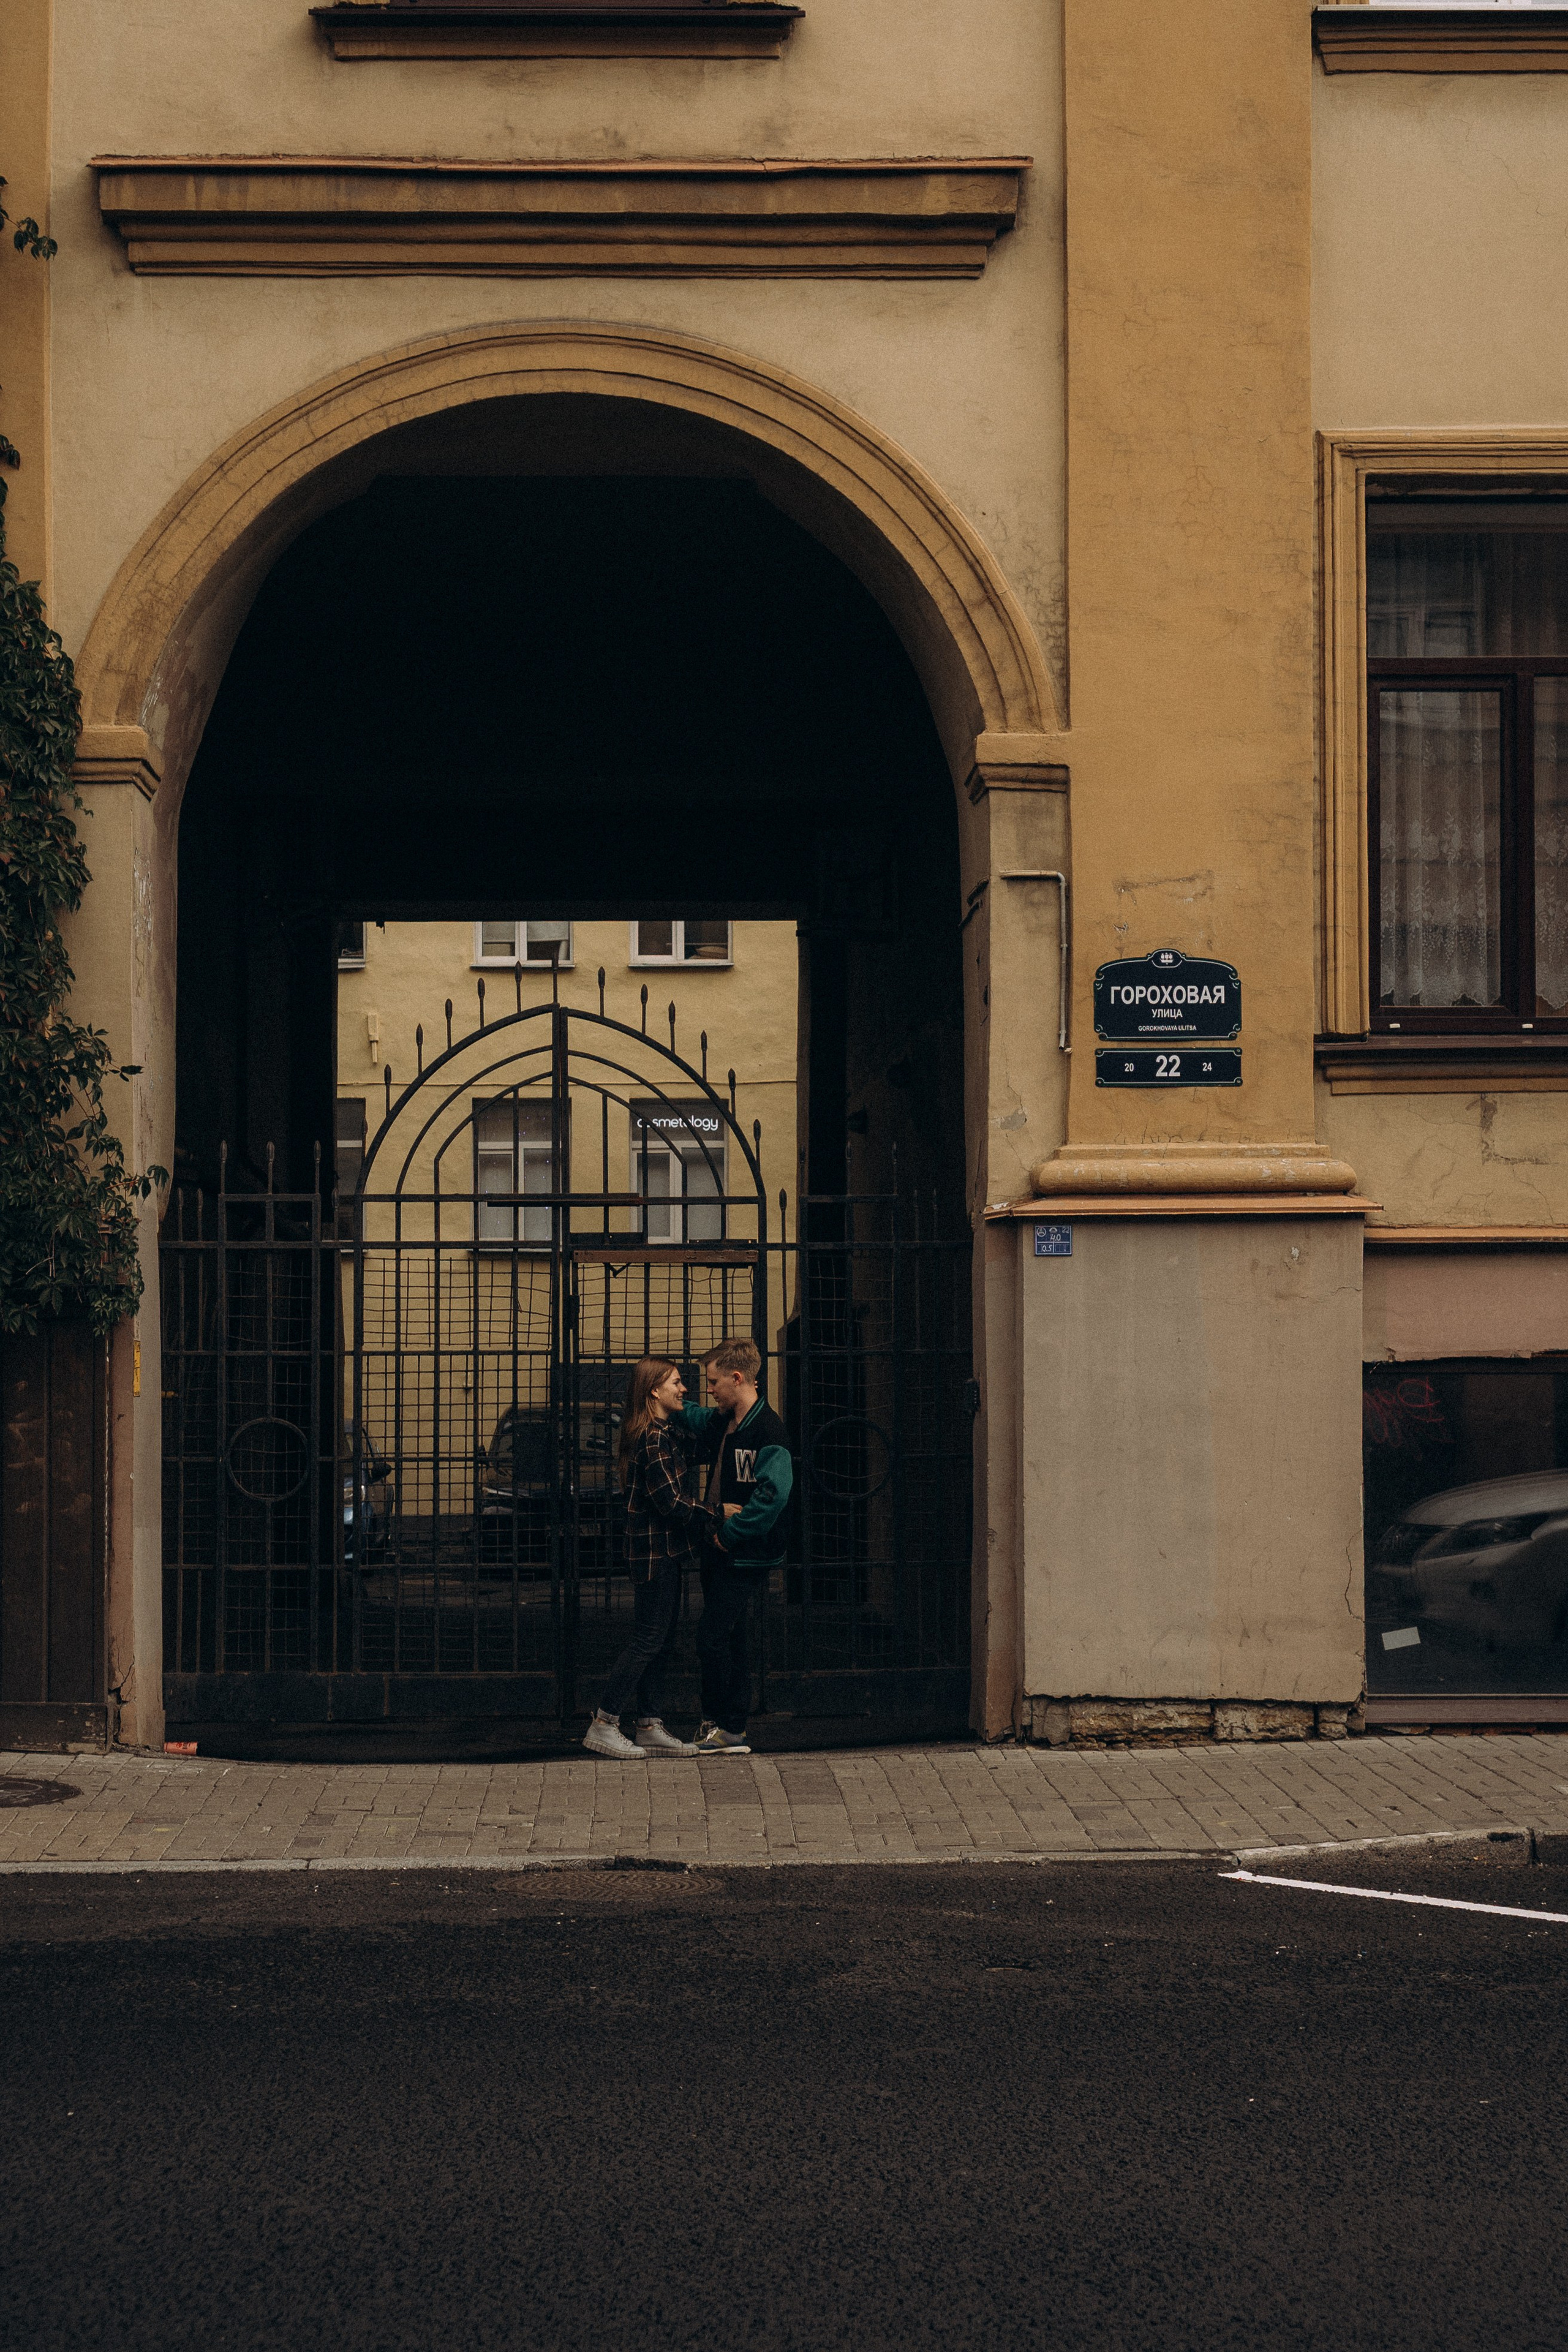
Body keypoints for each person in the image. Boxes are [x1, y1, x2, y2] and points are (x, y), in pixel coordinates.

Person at [583, 1355, 712, 1760]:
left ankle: (649, 1725)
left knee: (661, 1639)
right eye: (676, 1382)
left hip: (664, 1553)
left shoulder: (662, 1432)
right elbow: (670, 1502)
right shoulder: (652, 1438)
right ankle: (604, 1722)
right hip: (655, 1555)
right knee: (648, 1639)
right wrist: (716, 1513)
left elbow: (697, 1451)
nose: (684, 1389)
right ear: (654, 1390)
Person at [676, 1335, 794, 1755]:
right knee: (732, 1635)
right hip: (722, 1548)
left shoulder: (767, 1430)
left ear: (737, 1378)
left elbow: (773, 1497)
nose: (710, 1391)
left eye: (713, 1382)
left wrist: (729, 1533)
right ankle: (730, 1726)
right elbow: (694, 1417)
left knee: (711, 1636)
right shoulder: (727, 1420)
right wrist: (665, 1402)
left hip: (744, 1553)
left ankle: (724, 1724)